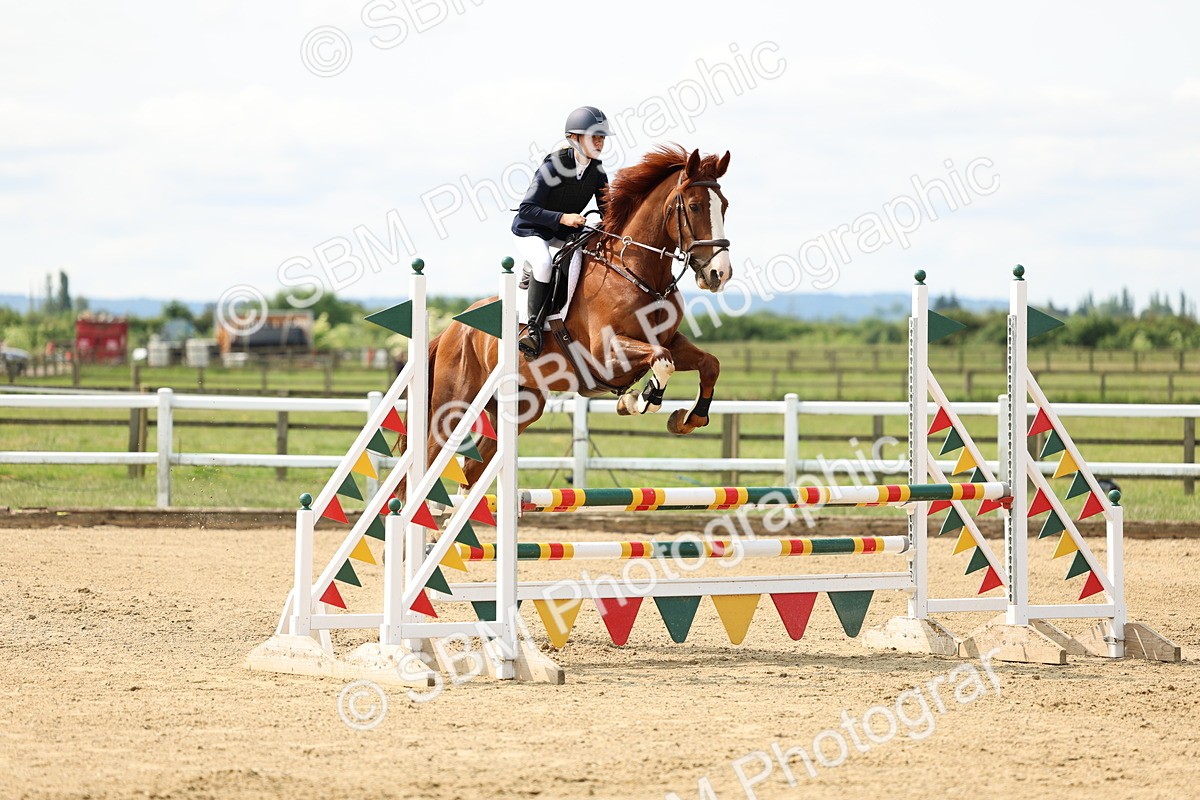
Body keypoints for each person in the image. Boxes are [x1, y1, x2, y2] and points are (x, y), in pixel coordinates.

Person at [512, 105, 610, 359]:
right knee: (544, 262)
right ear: (574, 139)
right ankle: (532, 330)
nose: (599, 142)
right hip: (531, 230)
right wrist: (563, 217)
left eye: (602, 137)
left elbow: (608, 209)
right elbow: (526, 209)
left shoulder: (597, 171)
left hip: (561, 233)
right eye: (594, 137)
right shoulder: (554, 166)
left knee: (584, 257)